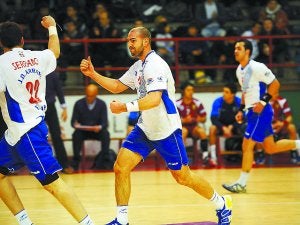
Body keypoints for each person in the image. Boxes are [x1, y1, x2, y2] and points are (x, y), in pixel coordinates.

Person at [80, 26, 232, 225]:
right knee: (120, 167)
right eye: (128, 40)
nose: (129, 44)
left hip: (166, 129)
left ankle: (221, 203)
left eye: (133, 40)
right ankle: (122, 220)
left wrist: (125, 107)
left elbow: (154, 99)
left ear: (145, 41)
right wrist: (93, 74)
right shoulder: (138, 67)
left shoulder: (155, 64)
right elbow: (117, 86)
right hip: (145, 128)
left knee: (183, 177)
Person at [0, 17, 95, 225]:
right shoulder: (37, 57)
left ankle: (88, 223)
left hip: (27, 133)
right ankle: (25, 222)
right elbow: (55, 51)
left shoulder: (1, 64)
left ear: (1, 43)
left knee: (51, 183)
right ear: (23, 41)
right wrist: (52, 26)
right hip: (18, 133)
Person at [222, 39, 300, 193]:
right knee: (270, 147)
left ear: (248, 51)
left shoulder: (257, 67)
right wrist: (241, 109)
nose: (235, 51)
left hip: (261, 113)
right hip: (252, 113)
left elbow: (275, 84)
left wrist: (263, 102)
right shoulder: (239, 70)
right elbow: (245, 92)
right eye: (235, 48)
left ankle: (241, 184)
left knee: (247, 145)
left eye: (239, 48)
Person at [71, 83, 111, 170]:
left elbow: (105, 123)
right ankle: (75, 163)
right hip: (83, 132)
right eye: (88, 95)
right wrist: (76, 125)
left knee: (105, 134)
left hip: (97, 131)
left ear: (96, 95)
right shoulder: (78, 104)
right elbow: (72, 122)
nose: (89, 98)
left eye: (92, 96)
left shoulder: (102, 104)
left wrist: (99, 127)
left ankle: (105, 162)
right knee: (76, 135)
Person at [255, 93, 300, 165]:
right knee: (257, 129)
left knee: (291, 127)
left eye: (277, 91)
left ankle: (294, 153)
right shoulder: (262, 102)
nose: (276, 93)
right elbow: (258, 118)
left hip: (280, 126)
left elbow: (289, 117)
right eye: (274, 91)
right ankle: (260, 154)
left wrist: (282, 124)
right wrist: (269, 126)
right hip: (267, 127)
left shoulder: (282, 101)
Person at [176, 82, 211, 166]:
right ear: (183, 91)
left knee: (201, 131)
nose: (191, 92)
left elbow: (204, 118)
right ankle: (182, 158)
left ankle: (205, 157)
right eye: (188, 90)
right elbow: (172, 120)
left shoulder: (197, 102)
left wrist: (200, 119)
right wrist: (183, 120)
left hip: (194, 127)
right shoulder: (177, 103)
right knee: (183, 132)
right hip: (182, 127)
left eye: (192, 90)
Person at [209, 83, 245, 165]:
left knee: (247, 128)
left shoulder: (239, 102)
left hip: (235, 126)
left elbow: (243, 118)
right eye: (223, 91)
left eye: (226, 92)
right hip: (221, 127)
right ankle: (213, 157)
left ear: (232, 94)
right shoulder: (218, 101)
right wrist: (223, 128)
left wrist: (232, 126)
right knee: (212, 128)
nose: (223, 94)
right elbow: (213, 118)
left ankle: (247, 155)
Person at [45, 71, 73, 174]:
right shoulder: (33, 71)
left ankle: (64, 165)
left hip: (50, 107)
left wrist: (64, 108)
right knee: (38, 138)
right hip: (35, 108)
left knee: (57, 136)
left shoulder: (52, 73)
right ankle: (39, 167)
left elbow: (59, 90)